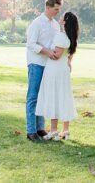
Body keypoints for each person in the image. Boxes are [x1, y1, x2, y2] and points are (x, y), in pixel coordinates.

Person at [35, 11, 79, 141]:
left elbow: (56, 55)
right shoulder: (71, 38)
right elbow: (69, 55)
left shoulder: (61, 36)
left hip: (55, 70)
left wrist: (42, 48)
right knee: (64, 97)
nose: (60, 19)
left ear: (65, 22)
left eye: (62, 18)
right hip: (63, 70)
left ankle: (54, 131)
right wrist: (69, 62)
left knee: (54, 96)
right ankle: (65, 130)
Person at [25, 0, 62, 142]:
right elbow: (31, 44)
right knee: (33, 97)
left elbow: (55, 43)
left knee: (42, 97)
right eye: (55, 9)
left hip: (49, 65)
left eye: (59, 9)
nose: (57, 12)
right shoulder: (37, 23)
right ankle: (31, 130)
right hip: (36, 63)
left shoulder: (55, 25)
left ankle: (40, 128)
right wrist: (47, 51)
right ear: (47, 7)